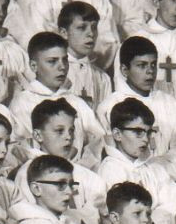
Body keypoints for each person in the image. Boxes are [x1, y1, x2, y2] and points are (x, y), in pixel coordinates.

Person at [11, 100, 109, 224]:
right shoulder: (28, 174)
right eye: (59, 131)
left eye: (71, 130)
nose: (68, 137)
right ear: (38, 136)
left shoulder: (89, 177)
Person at [97, 36, 176, 179]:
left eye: (153, 65)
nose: (150, 71)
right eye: (141, 65)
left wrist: (159, 173)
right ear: (124, 70)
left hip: (168, 178)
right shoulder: (109, 107)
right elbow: (111, 153)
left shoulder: (174, 106)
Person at [9, 31, 107, 165]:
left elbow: (99, 139)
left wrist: (84, 166)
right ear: (33, 66)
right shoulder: (23, 103)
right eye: (52, 61)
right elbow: (22, 148)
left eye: (64, 59)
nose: (62, 67)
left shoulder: (75, 101)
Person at [96, 98, 176, 224]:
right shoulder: (110, 170)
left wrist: (152, 220)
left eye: (149, 133)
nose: (146, 139)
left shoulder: (155, 169)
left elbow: (172, 206)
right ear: (117, 134)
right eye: (138, 132)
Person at [60, 1, 112, 110]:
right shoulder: (54, 73)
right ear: (64, 33)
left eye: (94, 27)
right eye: (82, 27)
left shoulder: (102, 78)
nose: (91, 34)